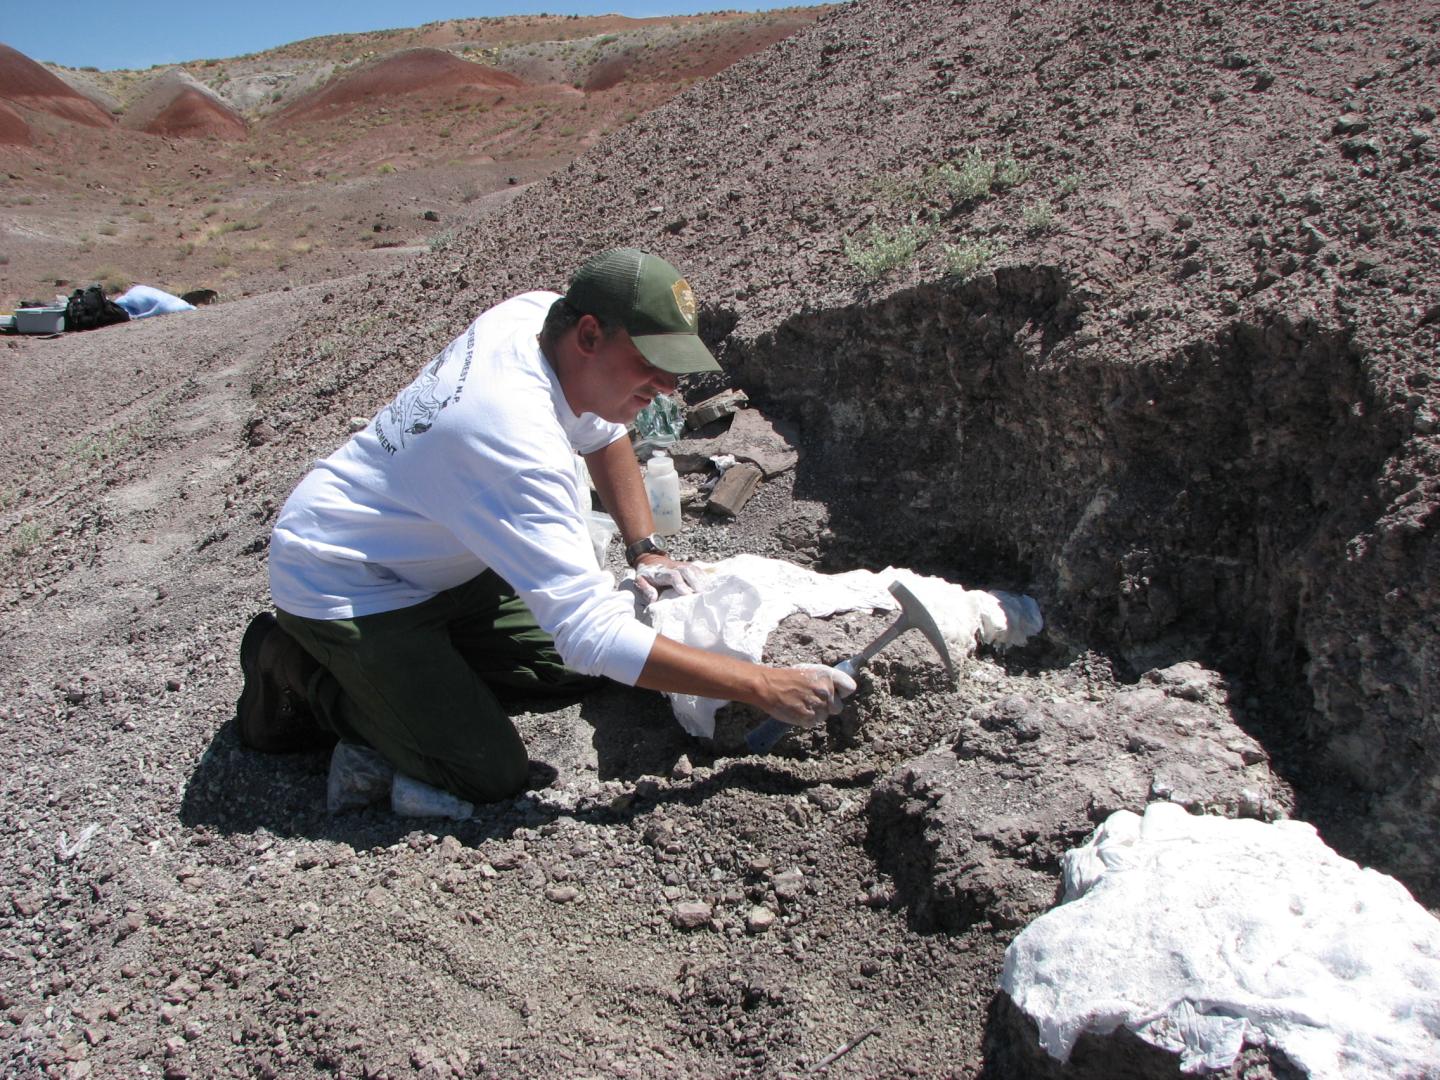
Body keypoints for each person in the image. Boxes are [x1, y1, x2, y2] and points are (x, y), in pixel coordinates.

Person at [235, 247, 855, 803]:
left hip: (442, 556)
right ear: (589, 333)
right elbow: (588, 630)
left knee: (570, 669)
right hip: (346, 580)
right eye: (652, 363)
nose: (667, 390)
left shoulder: (538, 318)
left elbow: (604, 434)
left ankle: (423, 673)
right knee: (486, 772)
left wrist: (647, 549)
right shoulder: (514, 440)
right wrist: (761, 685)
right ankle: (297, 667)